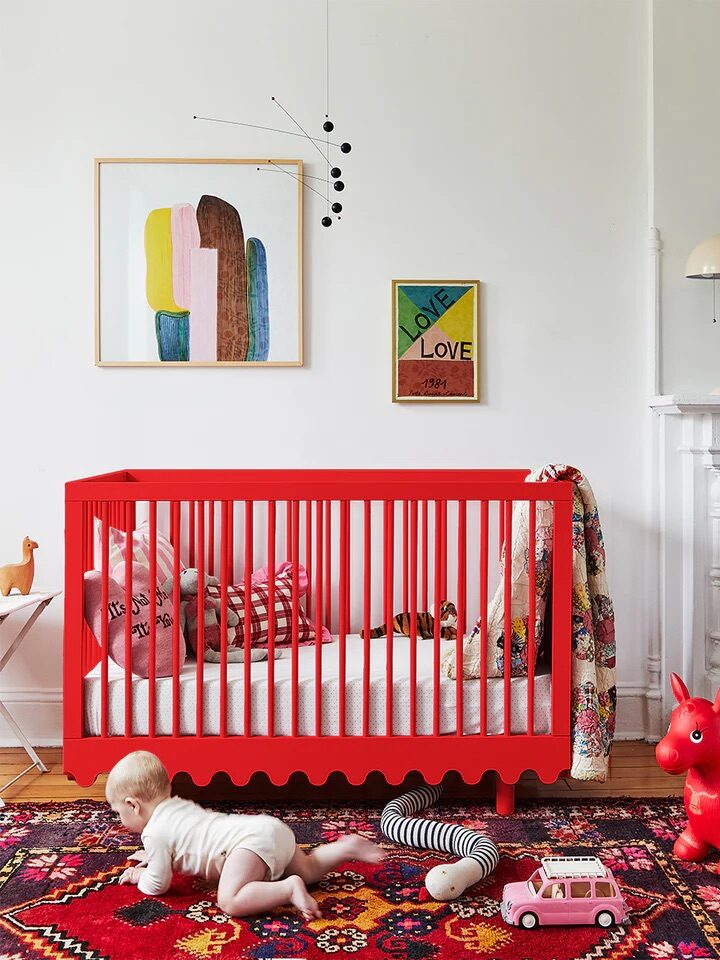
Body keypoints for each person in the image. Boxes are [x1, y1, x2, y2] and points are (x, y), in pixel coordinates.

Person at [106, 750, 384, 919]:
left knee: (230, 900)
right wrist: (155, 855)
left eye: (119, 812)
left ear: (133, 805)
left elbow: (159, 883)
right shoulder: (178, 805)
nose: (121, 819)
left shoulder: (153, 833)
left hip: (244, 847)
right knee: (310, 868)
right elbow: (179, 842)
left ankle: (288, 888)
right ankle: (345, 848)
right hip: (268, 829)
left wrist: (140, 875)